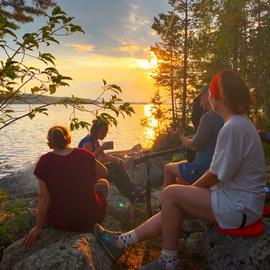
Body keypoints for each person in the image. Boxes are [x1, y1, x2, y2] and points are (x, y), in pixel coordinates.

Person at [93, 69, 266, 270]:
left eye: (210, 91)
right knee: (174, 201)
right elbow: (221, 174)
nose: (208, 95)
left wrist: (192, 191)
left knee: (171, 194)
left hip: (239, 207)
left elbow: (216, 174)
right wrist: (191, 193)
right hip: (240, 202)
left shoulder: (234, 127)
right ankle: (120, 242)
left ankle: (169, 261)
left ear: (219, 96)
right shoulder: (238, 123)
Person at [23, 126, 109, 247]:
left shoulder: (44, 161)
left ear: (50, 144)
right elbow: (104, 172)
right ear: (68, 139)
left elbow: (44, 197)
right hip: (92, 217)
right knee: (104, 182)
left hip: (61, 222)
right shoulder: (85, 154)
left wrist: (38, 227)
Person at [164, 86, 224, 186]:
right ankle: (184, 198)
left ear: (206, 96)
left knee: (168, 168)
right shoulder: (224, 115)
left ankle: (171, 199)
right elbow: (206, 138)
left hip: (203, 167)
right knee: (182, 167)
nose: (200, 103)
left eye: (201, 99)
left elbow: (195, 146)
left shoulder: (208, 117)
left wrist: (181, 136)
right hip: (216, 166)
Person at [78, 119, 144, 204]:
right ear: (96, 131)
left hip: (95, 170)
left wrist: (118, 160)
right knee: (115, 173)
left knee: (117, 166)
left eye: (106, 132)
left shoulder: (95, 141)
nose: (104, 134)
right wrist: (101, 148)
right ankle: (131, 194)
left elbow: (103, 156)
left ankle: (132, 192)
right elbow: (88, 159)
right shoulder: (87, 142)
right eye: (103, 132)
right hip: (88, 174)